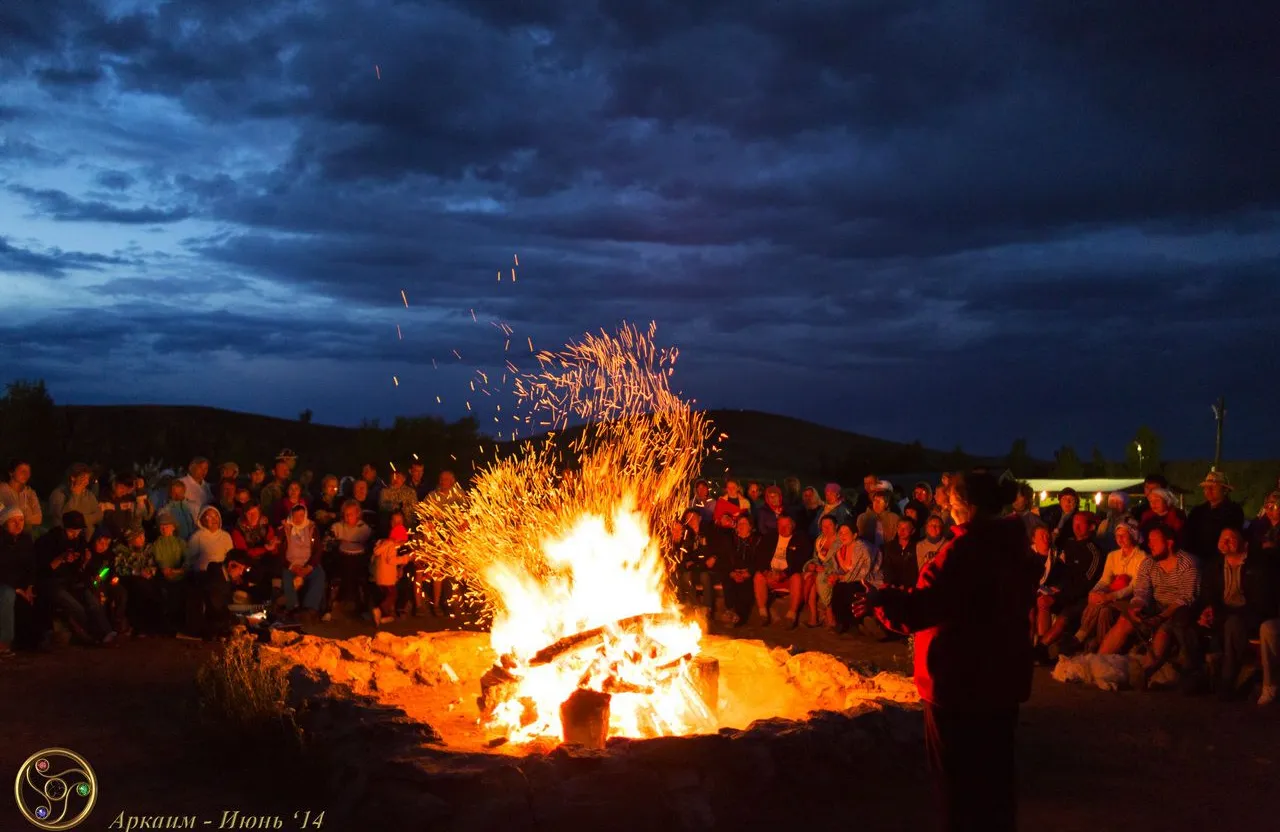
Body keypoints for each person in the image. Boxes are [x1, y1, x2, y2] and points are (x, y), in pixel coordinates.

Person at [859, 472, 1036, 832]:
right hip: (1001, 679)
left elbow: (925, 607)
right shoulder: (1013, 545)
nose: (949, 511)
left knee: (958, 782)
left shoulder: (965, 552)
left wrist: (882, 598)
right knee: (995, 778)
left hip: (959, 681)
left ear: (968, 509)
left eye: (953, 505)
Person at [1097, 525, 1202, 690]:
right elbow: (1142, 591)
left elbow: (1186, 597)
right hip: (1155, 605)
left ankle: (1144, 672)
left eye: (1154, 541)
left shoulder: (1187, 563)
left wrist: (1160, 617)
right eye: (1149, 541)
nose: (1149, 544)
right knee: (1126, 619)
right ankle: (1097, 662)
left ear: (1169, 543)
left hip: (1178, 610)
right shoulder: (1149, 563)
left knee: (1163, 630)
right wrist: (1136, 605)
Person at [1198, 527, 1278, 699]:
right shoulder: (1214, 565)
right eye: (1222, 538)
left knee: (1233, 624)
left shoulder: (1257, 565)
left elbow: (1260, 601)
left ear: (1245, 543)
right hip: (1223, 614)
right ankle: (1196, 677)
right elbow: (1208, 593)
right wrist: (1208, 609)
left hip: (1250, 615)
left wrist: (1221, 614)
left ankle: (1228, 680)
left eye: (1231, 538)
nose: (1226, 542)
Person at [38, 511, 115, 645]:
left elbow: (81, 569)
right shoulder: (49, 540)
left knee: (92, 601)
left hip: (73, 581)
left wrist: (84, 561)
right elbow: (44, 568)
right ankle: (95, 635)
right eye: (72, 531)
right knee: (77, 608)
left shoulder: (80, 541)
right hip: (53, 583)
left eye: (78, 531)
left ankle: (107, 632)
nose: (75, 534)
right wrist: (61, 558)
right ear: (64, 528)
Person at [1035, 512, 1104, 659]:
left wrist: (1060, 595)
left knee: (1064, 616)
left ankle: (1040, 649)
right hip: (1062, 591)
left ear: (1091, 527)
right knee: (1042, 601)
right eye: (1074, 523)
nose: (1076, 527)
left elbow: (1086, 583)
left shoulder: (1094, 551)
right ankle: (1041, 645)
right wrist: (1052, 588)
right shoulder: (1068, 544)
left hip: (1080, 596)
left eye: (1081, 523)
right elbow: (1058, 570)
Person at [1072, 520, 1149, 651]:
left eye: (1123, 535)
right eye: (1117, 536)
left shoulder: (1142, 557)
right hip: (1112, 594)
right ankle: (1096, 641)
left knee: (1104, 608)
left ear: (1132, 535)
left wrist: (1110, 596)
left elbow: (1134, 587)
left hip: (1130, 598)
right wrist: (1094, 591)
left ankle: (1089, 639)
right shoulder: (1113, 555)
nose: (1120, 539)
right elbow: (1104, 580)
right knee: (1100, 605)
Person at [829, 519, 883, 637]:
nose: (842, 536)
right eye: (841, 533)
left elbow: (859, 573)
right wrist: (835, 575)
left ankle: (854, 624)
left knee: (849, 589)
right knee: (838, 587)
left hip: (867, 579)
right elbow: (838, 568)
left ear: (854, 535)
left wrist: (839, 577)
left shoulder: (862, 548)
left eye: (846, 533)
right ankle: (841, 622)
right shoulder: (839, 547)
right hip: (848, 579)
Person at [752, 515, 808, 628]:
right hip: (770, 573)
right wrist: (766, 572)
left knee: (797, 578)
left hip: (788, 576)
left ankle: (791, 615)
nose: (783, 529)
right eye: (780, 525)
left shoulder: (801, 539)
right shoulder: (769, 537)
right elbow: (759, 556)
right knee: (758, 576)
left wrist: (784, 574)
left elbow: (800, 561)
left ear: (793, 526)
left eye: (787, 526)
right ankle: (763, 614)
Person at [1183, 470, 1246, 563]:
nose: (1208, 490)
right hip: (1196, 559)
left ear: (1225, 490)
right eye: (1206, 487)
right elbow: (1188, 534)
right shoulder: (1197, 511)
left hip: (1221, 560)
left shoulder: (1234, 510)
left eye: (1213, 487)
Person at [0, 506, 39, 656]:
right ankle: (4, 642)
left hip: (20, 583)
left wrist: (29, 586)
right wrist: (17, 588)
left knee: (37, 594)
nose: (18, 524)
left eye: (21, 520)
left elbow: (31, 565)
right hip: (4, 582)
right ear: (4, 523)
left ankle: (35, 638)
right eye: (13, 521)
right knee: (8, 594)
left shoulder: (25, 540)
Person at [280, 503, 324, 618]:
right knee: (287, 577)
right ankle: (293, 607)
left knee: (319, 575)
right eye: (295, 516)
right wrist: (291, 566)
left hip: (307, 564)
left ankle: (310, 607)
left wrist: (309, 566)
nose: (298, 519)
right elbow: (279, 551)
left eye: (301, 516)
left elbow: (318, 549)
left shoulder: (311, 528)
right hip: (291, 564)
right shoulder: (284, 529)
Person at [329, 500, 373, 612]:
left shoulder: (364, 529)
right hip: (342, 557)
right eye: (345, 515)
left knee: (357, 572)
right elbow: (330, 539)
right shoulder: (338, 527)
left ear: (357, 514)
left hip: (359, 558)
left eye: (350, 514)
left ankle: (360, 604)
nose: (347, 517)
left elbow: (368, 545)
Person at [720, 513, 761, 626]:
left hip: (748, 572)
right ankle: (730, 610)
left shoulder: (757, 540)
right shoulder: (730, 539)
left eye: (744, 523)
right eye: (739, 523)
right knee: (727, 580)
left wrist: (748, 572)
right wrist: (732, 572)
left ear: (750, 526)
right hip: (733, 571)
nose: (741, 526)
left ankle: (740, 617)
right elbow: (725, 558)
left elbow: (759, 560)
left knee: (745, 589)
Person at [48, 463, 103, 538]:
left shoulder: (88, 495)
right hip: (64, 538)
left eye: (88, 478)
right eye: (83, 478)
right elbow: (61, 518)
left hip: (85, 539)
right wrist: (75, 495)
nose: (87, 482)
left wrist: (82, 519)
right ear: (73, 477)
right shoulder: (60, 493)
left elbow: (99, 515)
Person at [803, 516, 839, 628]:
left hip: (834, 571)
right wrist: (813, 565)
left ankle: (828, 614)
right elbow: (815, 557)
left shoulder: (840, 541)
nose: (826, 529)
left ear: (836, 526)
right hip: (820, 569)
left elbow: (842, 563)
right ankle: (814, 616)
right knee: (810, 576)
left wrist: (826, 569)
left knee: (819, 577)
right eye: (824, 526)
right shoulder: (819, 540)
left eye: (830, 526)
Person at [676, 509, 714, 610]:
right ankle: (693, 606)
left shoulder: (708, 531)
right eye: (688, 518)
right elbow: (687, 554)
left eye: (693, 517)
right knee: (686, 577)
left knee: (705, 577)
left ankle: (707, 608)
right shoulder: (687, 535)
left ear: (700, 518)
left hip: (706, 568)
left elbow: (709, 552)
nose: (691, 520)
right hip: (694, 568)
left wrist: (698, 559)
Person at [371, 535, 410, 626]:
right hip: (387, 578)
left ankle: (384, 617)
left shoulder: (383, 543)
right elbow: (391, 560)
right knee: (392, 595)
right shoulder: (391, 546)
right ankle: (379, 610)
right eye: (402, 542)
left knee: (386, 595)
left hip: (380, 576)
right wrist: (405, 558)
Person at [0, 459, 43, 526]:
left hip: (26, 534)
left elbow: (38, 519)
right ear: (11, 472)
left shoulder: (30, 493)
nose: (26, 474)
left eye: (28, 472)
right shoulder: (2, 491)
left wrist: (14, 519)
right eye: (22, 471)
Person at [881, 515, 920, 589]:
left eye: (906, 528)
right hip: (893, 587)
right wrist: (892, 584)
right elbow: (887, 568)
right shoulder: (889, 546)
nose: (902, 531)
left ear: (913, 531)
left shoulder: (917, 547)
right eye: (899, 528)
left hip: (911, 588)